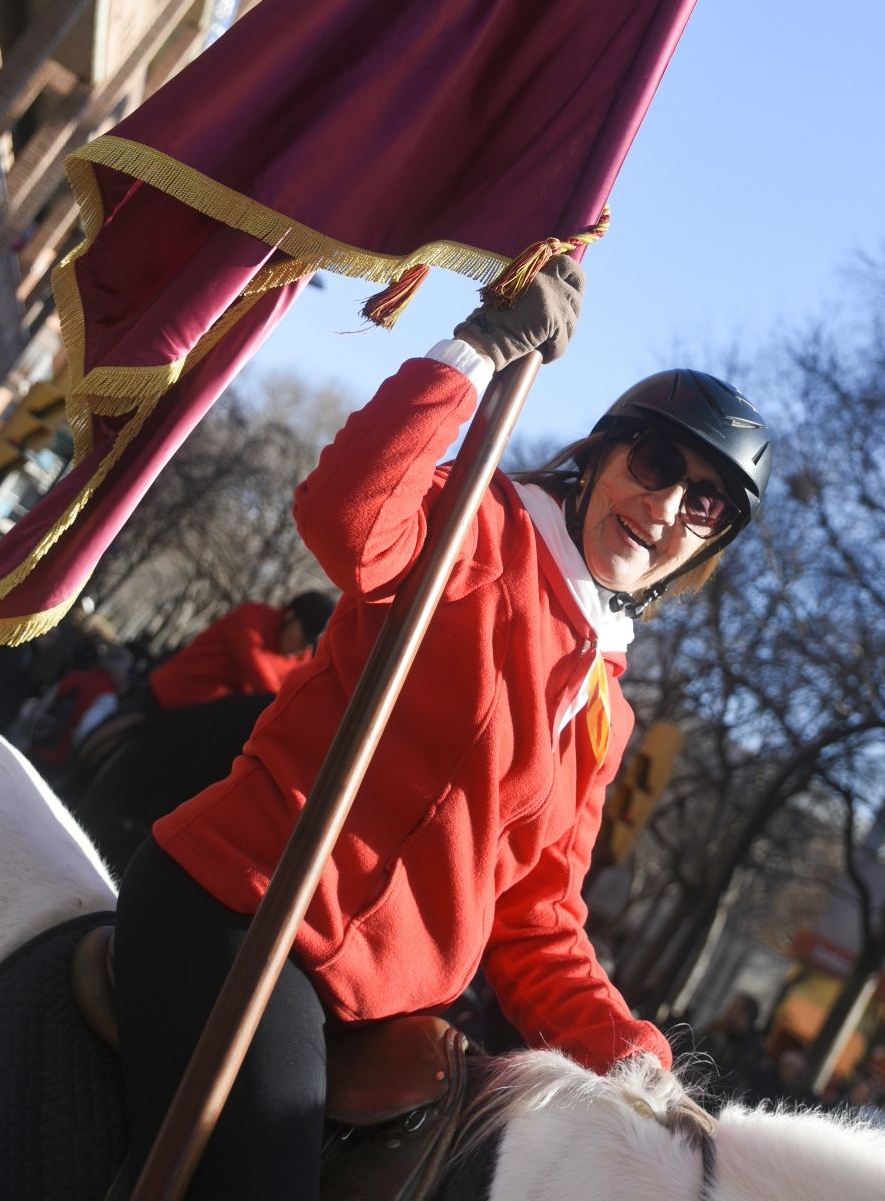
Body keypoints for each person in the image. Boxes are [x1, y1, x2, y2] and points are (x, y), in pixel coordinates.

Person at [113, 260, 771, 1197]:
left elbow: (536, 921)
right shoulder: (481, 518)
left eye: (704, 502)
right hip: (245, 917)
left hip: (390, 1023)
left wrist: (638, 1064)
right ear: (600, 456)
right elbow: (343, 517)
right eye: (657, 464)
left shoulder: (605, 707)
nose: (666, 507)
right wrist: (476, 351)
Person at [146, 590, 336, 712]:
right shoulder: (251, 619)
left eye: (312, 643)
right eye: (306, 635)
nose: (306, 647)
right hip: (165, 701)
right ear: (290, 615)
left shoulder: (302, 659)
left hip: (208, 722)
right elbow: (260, 677)